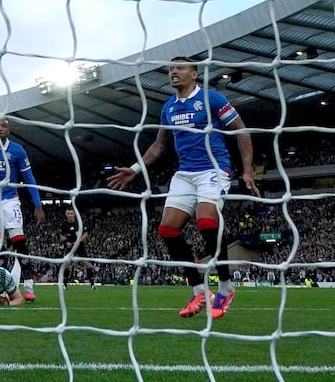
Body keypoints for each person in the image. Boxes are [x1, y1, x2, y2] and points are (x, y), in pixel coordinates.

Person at [107, 56, 258, 319]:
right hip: (185, 173)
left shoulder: (212, 99)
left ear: (194, 74)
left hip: (213, 168)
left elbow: (241, 131)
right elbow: (158, 147)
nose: (173, 72)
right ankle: (200, 290)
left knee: (207, 221)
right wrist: (134, 169)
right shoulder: (168, 108)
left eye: (180, 68)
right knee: (167, 230)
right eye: (170, 69)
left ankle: (225, 287)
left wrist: (247, 172)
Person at [0, 117, 47, 301]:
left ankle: (28, 286)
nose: (1, 128)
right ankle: (2, 288)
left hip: (10, 200)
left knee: (19, 243)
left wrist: (38, 205)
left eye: (5, 126)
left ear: (9, 130)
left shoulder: (17, 150)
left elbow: (29, 177)